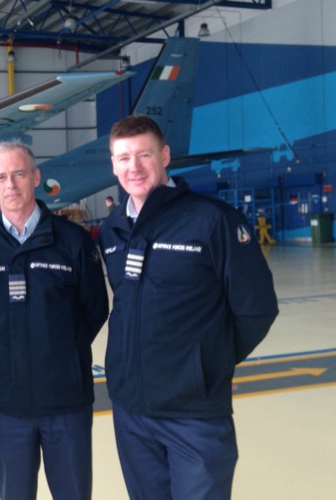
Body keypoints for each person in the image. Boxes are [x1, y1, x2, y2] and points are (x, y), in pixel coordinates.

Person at [99, 115, 279, 499]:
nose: (134, 167)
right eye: (124, 157)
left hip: (193, 414)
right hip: (131, 408)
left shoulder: (212, 220)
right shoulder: (114, 228)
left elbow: (257, 308)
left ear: (165, 156)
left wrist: (206, 364)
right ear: (113, 164)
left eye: (144, 154)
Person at [0, 141, 109, 500]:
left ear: (36, 178)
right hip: (5, 405)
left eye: (19, 174)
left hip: (66, 403)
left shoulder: (73, 241)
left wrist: (60, 351)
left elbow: (94, 308)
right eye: (1, 177)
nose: (10, 184)